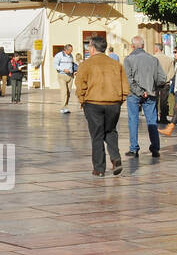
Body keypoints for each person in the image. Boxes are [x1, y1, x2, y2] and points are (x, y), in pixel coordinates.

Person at [75, 34, 127, 176]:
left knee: (97, 135)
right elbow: (125, 86)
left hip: (93, 103)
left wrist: (82, 100)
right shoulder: (116, 64)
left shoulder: (86, 64)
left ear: (92, 48)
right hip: (113, 103)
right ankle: (116, 158)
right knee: (110, 131)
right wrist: (119, 100)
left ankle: (99, 169)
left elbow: (80, 85)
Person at [123, 35, 167, 157]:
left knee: (133, 119)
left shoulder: (128, 59)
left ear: (132, 46)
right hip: (151, 93)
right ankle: (155, 147)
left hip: (134, 94)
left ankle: (134, 148)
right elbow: (162, 78)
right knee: (152, 120)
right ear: (143, 46)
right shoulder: (153, 59)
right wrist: (152, 88)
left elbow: (128, 79)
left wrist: (140, 91)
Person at [153, 44, 175, 125]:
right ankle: (163, 117)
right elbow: (172, 72)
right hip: (166, 83)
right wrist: (166, 79)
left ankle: (154, 117)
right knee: (164, 101)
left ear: (156, 49)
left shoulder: (153, 58)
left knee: (154, 100)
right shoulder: (168, 59)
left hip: (155, 82)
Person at [55, 45, 77, 112]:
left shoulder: (71, 55)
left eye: (71, 50)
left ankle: (66, 107)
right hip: (62, 75)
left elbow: (72, 64)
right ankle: (62, 108)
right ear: (66, 50)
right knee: (64, 92)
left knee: (68, 93)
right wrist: (63, 69)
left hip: (70, 76)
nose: (71, 51)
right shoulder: (59, 55)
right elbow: (56, 65)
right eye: (70, 50)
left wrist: (74, 71)